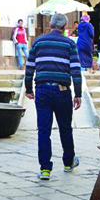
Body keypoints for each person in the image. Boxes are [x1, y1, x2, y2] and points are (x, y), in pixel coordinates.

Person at [24, 13, 83, 180]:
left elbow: (29, 68)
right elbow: (76, 70)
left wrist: (29, 89)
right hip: (62, 91)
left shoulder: (38, 42)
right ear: (64, 27)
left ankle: (45, 169)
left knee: (44, 130)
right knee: (65, 128)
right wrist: (78, 94)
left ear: (50, 25)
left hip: (42, 91)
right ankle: (68, 162)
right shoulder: (70, 44)